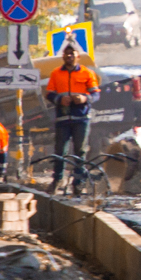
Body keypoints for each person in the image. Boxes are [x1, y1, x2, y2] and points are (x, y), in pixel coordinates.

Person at [43, 42, 100, 190]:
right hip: (62, 118)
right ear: (63, 56)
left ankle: (78, 183)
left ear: (77, 57)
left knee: (80, 151)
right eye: (66, 54)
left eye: (72, 54)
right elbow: (49, 93)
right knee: (60, 151)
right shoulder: (56, 73)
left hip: (81, 119)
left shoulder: (87, 73)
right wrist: (59, 100)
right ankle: (57, 180)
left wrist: (84, 99)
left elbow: (96, 94)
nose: (69, 56)